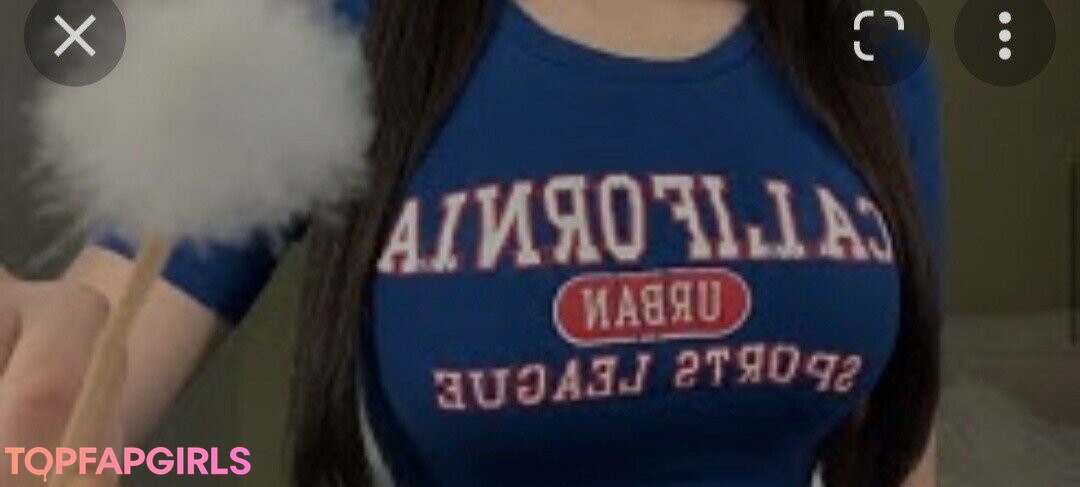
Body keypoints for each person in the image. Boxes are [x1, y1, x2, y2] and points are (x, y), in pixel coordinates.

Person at [0, 0, 942, 485]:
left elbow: (902, 447)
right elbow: (91, 358)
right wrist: (47, 371)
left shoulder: (863, 51)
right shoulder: (338, 29)